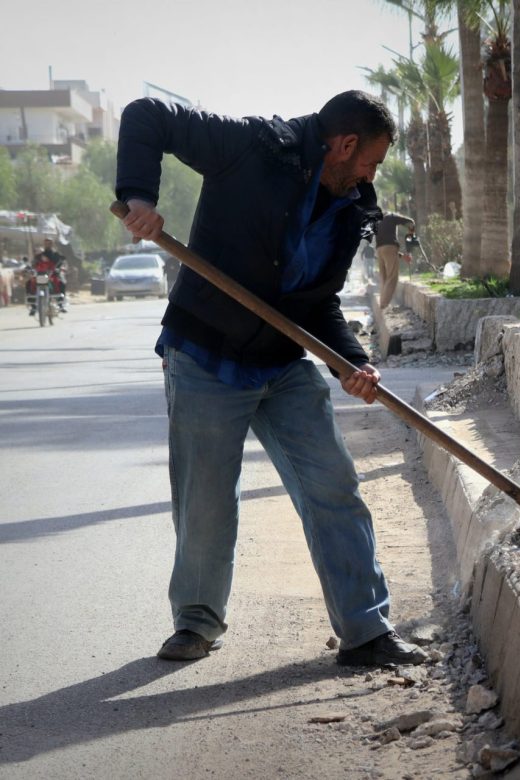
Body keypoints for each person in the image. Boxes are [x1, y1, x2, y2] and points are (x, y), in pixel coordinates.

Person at [115, 90, 427, 666]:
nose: (370, 174)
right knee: (207, 501)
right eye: (371, 161)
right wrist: (139, 197)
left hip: (283, 362)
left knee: (333, 486)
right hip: (205, 356)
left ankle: (366, 632)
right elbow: (147, 116)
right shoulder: (253, 147)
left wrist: (350, 362)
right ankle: (196, 624)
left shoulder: (350, 204)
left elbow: (319, 302)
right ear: (346, 144)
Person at [374, 206, 414, 309]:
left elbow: (387, 250)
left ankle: (382, 303)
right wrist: (410, 236)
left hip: (379, 250)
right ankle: (383, 304)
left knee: (384, 278)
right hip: (389, 247)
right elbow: (411, 222)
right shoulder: (391, 216)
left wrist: (402, 256)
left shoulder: (377, 221)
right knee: (392, 277)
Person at [26, 241, 68, 315]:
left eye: (49, 243)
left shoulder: (56, 255)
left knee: (61, 283)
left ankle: (60, 304)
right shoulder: (39, 256)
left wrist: (59, 268)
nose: (47, 244)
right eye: (46, 243)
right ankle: (33, 306)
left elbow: (60, 264)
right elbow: (33, 264)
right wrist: (30, 268)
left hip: (52, 275)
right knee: (29, 283)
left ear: (52, 244)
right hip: (40, 276)